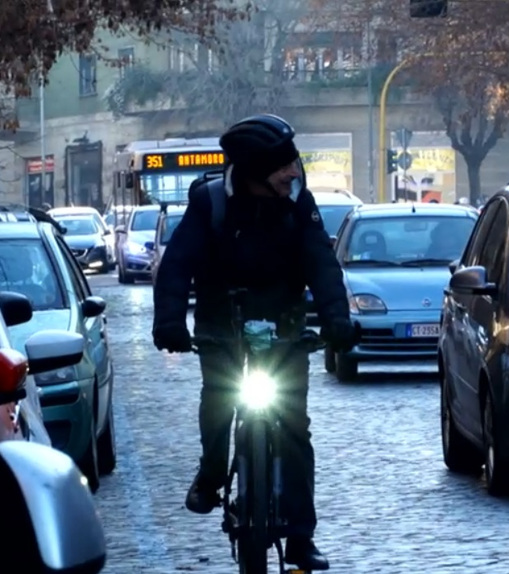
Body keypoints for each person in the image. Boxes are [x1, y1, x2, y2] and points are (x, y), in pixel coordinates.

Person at [151, 114, 357, 571]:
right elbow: (177, 265)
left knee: (294, 427)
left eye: (294, 163)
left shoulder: (299, 204)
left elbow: (321, 263)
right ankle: (210, 477)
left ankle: (301, 536)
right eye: (283, 165)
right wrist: (169, 323)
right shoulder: (210, 204)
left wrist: (336, 320)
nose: (293, 172)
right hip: (221, 326)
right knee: (219, 401)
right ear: (255, 170)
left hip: (284, 329)